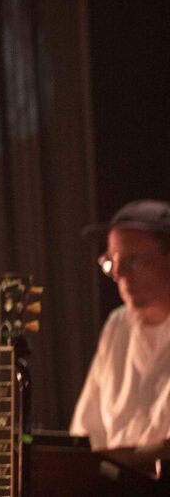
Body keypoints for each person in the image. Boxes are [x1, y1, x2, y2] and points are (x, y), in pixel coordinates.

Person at [72, 199, 170, 476]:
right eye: (111, 261)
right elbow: (87, 432)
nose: (118, 273)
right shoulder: (118, 325)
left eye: (133, 259)